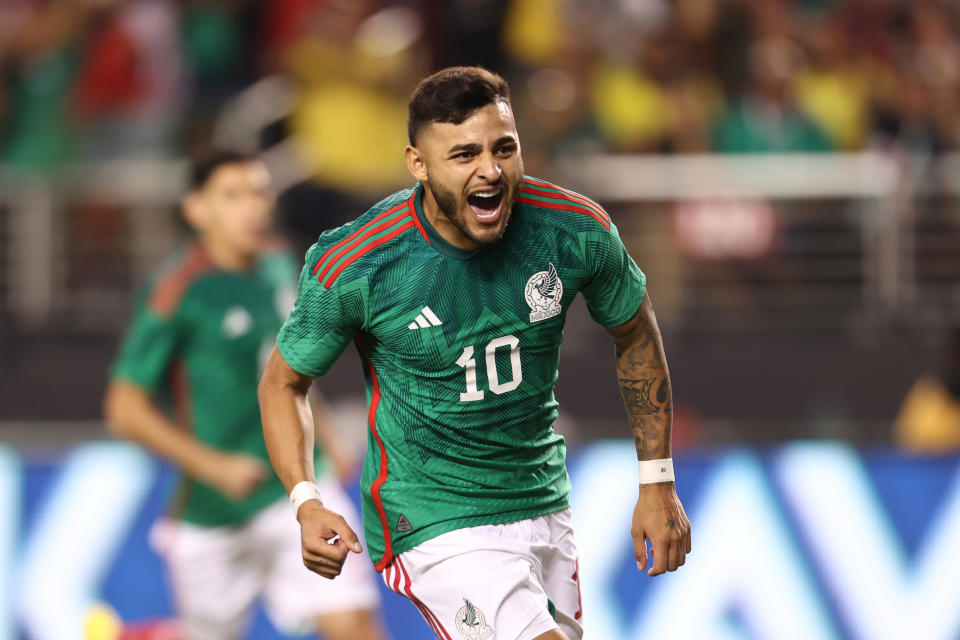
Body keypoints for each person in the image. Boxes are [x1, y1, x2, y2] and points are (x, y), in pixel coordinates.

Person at [258, 67, 691, 640]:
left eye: (503, 148)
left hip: (541, 500)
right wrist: (307, 501)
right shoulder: (360, 261)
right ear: (418, 164)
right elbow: (282, 383)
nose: (490, 170)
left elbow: (635, 332)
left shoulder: (574, 230)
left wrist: (657, 481)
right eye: (463, 155)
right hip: (433, 517)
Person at [103, 151, 387, 640]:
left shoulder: (282, 265)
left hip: (298, 490)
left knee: (353, 623)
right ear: (196, 210)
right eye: (232, 195)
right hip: (215, 510)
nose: (252, 206)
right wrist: (212, 465)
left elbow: (286, 373)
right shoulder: (178, 289)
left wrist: (329, 442)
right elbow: (123, 410)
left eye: (258, 192)